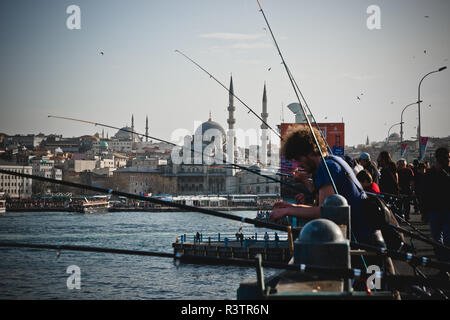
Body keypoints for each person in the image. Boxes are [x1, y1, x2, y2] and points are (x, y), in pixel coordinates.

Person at [269, 126, 381, 245]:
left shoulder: (326, 167)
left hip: (364, 242)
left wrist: (288, 211)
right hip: (371, 237)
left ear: (310, 152)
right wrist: (290, 207)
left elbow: (323, 212)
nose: (298, 165)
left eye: (298, 159)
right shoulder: (335, 160)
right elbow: (325, 208)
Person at [422, 147, 450, 263]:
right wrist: (424, 212)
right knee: (436, 240)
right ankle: (442, 263)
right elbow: (425, 194)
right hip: (434, 211)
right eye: (446, 157)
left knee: (448, 240)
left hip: (447, 211)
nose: (448, 159)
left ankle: (446, 263)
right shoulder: (430, 173)